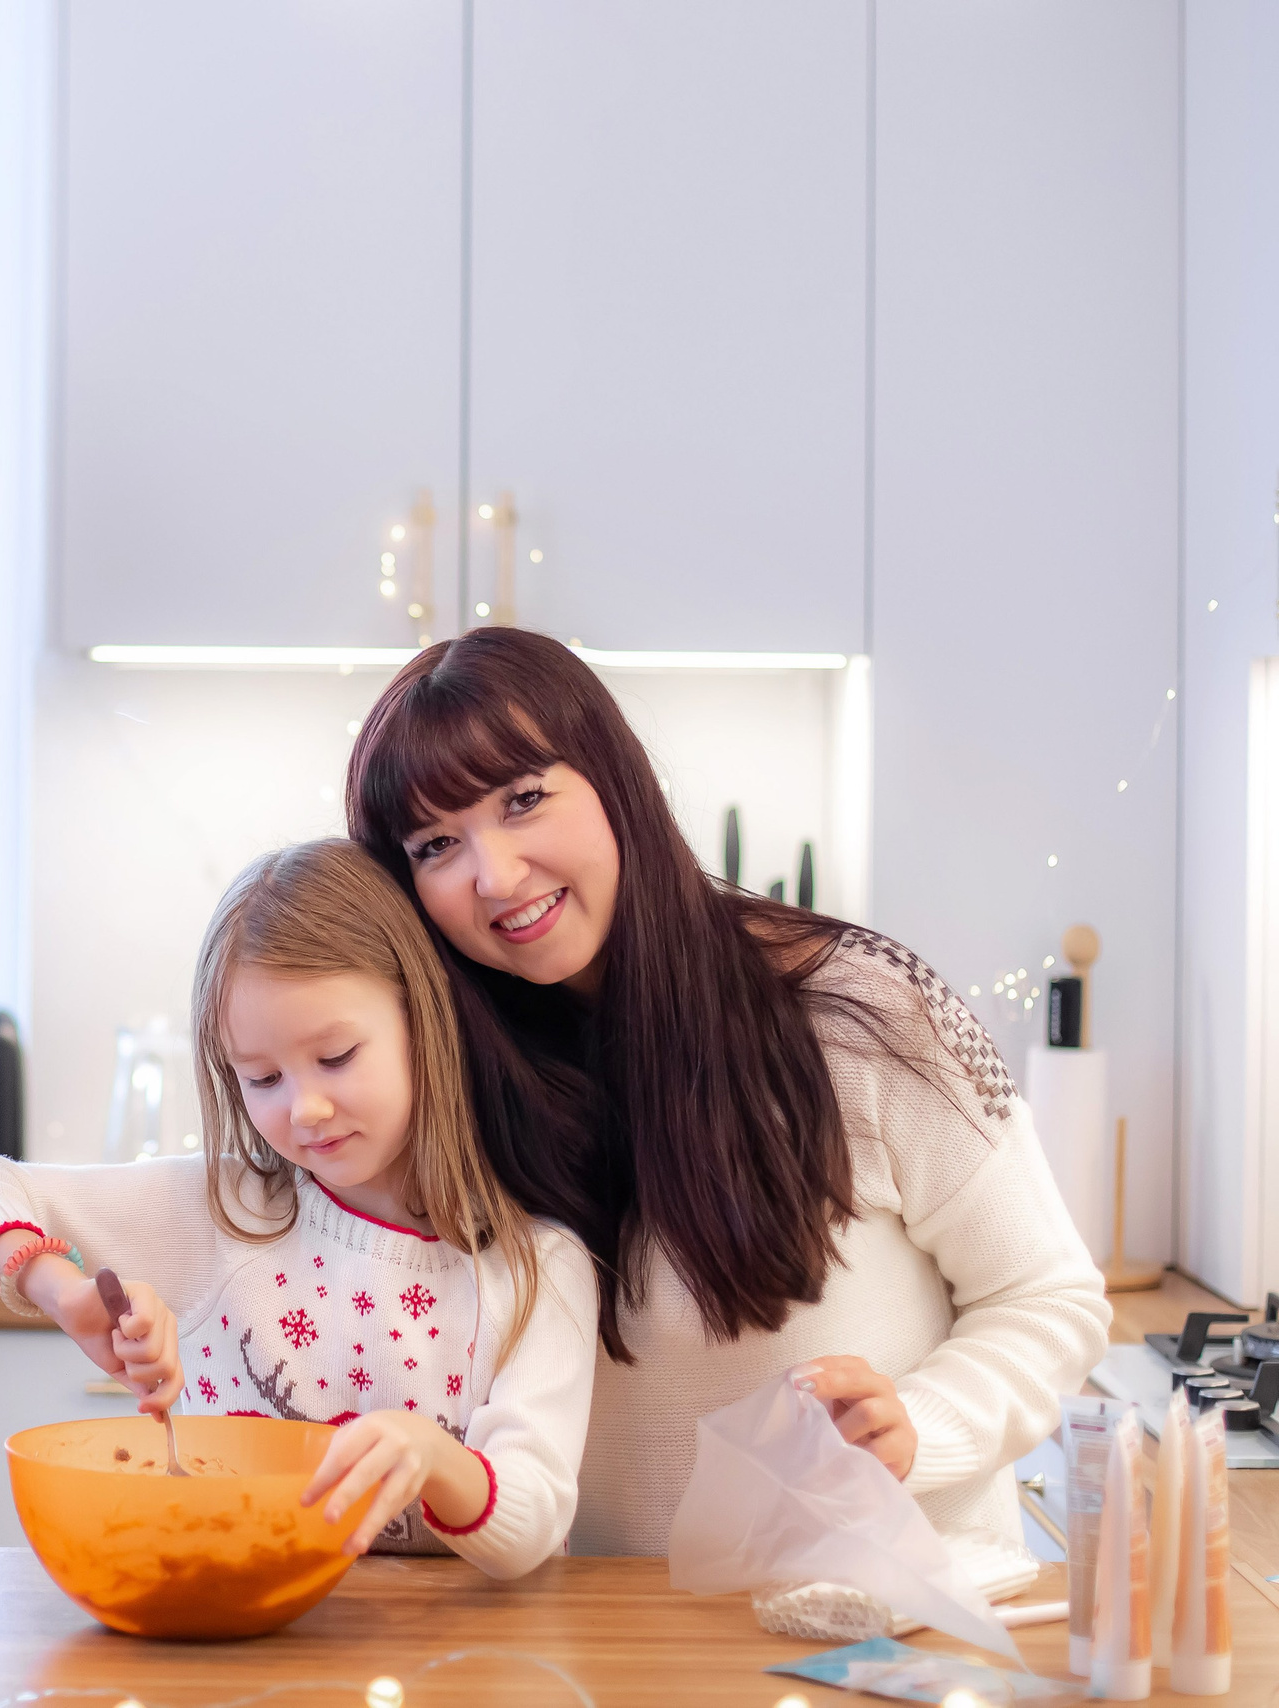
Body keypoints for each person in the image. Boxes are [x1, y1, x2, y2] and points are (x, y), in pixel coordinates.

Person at [343, 626, 1110, 1555]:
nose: (495, 875)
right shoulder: (440, 1074)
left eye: (526, 799)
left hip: (879, 1634)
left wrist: (918, 1424)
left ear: (614, 779)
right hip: (591, 1647)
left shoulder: (862, 1007)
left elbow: (1049, 1297)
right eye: (434, 845)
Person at [0, 839, 598, 1578]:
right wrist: (59, 1287)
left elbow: (532, 1521)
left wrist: (434, 1460)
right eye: (262, 1078)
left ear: (423, 1022)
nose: (308, 1108)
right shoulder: (227, 1212)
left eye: (336, 1058)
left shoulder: (536, 1266)